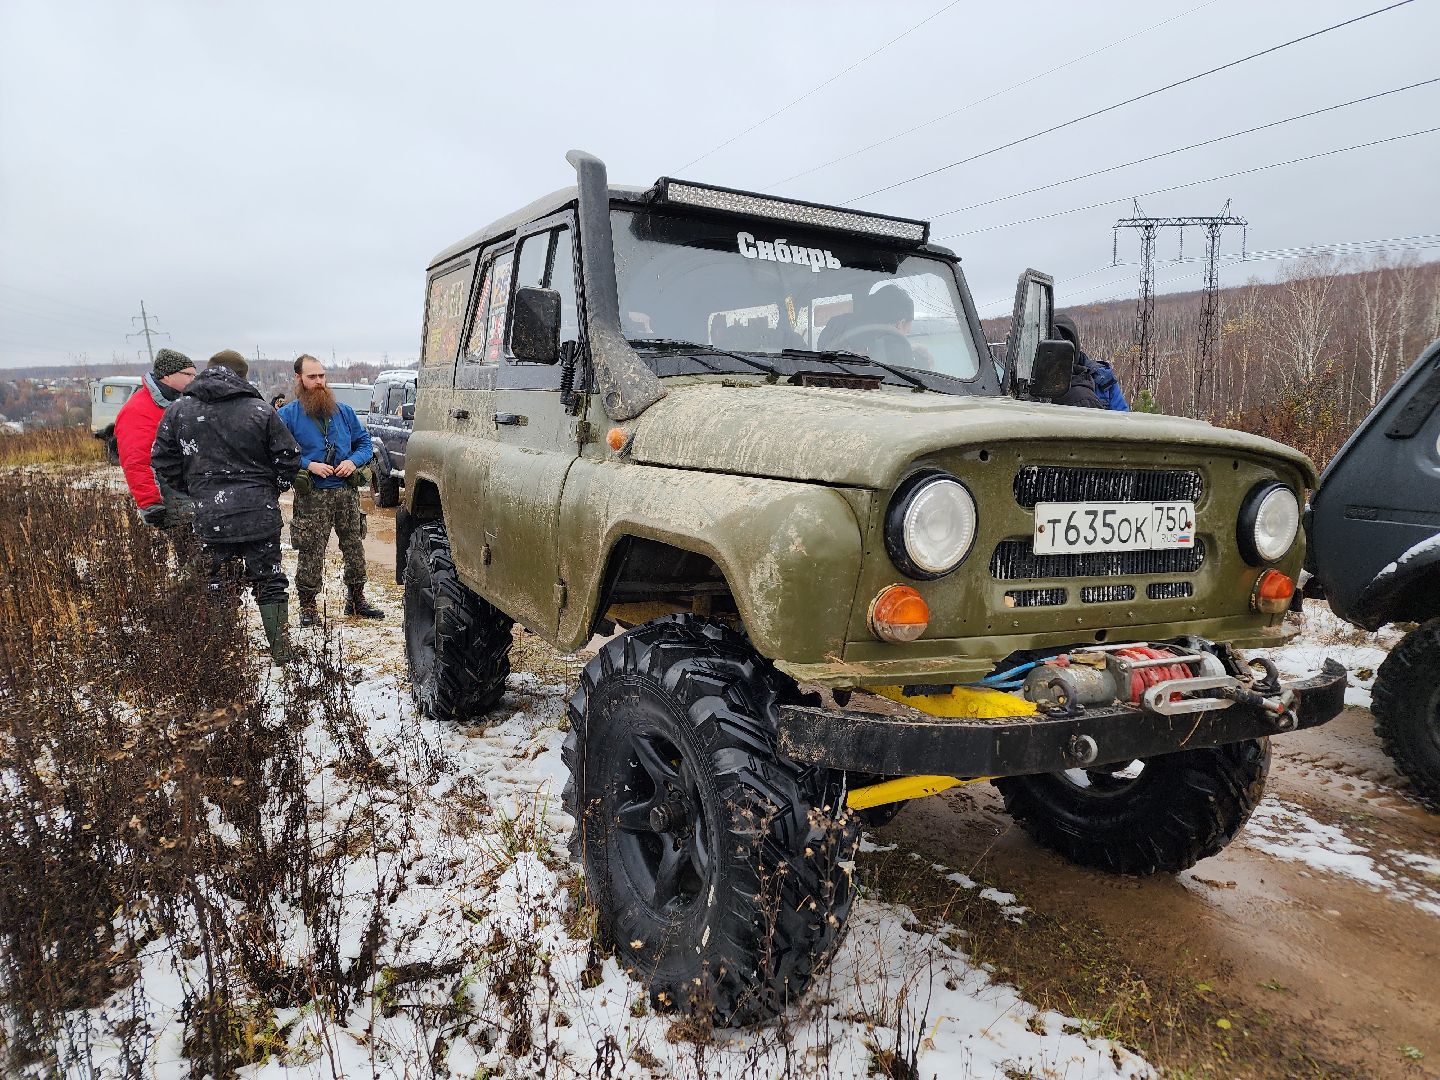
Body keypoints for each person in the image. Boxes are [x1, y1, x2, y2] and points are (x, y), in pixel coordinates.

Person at [152, 349, 301, 663]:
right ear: (242, 376)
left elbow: (162, 461)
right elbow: (288, 457)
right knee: (270, 579)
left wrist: (196, 490)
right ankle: (281, 650)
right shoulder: (260, 411)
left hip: (210, 516)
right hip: (259, 513)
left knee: (217, 583)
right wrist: (271, 489)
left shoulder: (179, 411)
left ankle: (224, 650)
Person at [277, 354, 382, 625]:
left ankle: (356, 600)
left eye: (322, 376)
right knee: (311, 550)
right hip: (313, 495)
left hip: (346, 493)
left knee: (354, 547)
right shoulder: (287, 415)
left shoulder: (343, 412)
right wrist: (308, 464)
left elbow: (365, 445)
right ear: (299, 378)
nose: (319, 382)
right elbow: (277, 453)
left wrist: (352, 461)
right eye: (312, 377)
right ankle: (308, 607)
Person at [113, 347, 198, 537]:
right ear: (167, 375)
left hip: (194, 494)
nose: (193, 379)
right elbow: (136, 460)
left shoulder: (182, 402)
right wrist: (151, 504)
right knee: (193, 555)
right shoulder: (139, 409)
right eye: (188, 374)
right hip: (172, 499)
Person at [1052, 314, 1128, 411]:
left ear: (1074, 346)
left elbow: (1123, 420)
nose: (1060, 354)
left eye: (1065, 346)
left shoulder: (1102, 378)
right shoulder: (1033, 379)